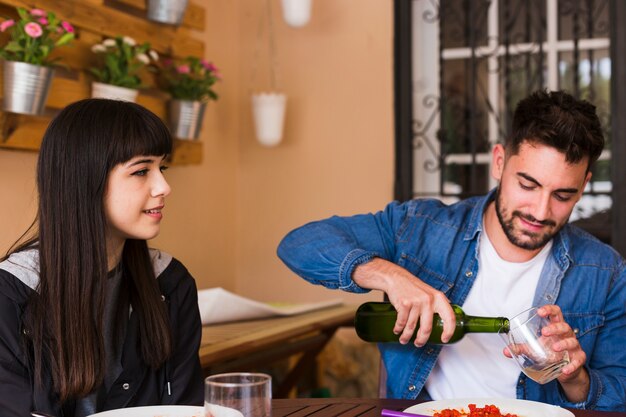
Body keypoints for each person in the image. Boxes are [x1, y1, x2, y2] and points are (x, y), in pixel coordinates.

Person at [277, 90, 626, 411]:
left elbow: (619, 394)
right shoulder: (419, 226)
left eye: (562, 196)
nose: (540, 210)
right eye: (527, 184)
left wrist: (575, 378)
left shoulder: (606, 273)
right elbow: (299, 244)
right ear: (500, 162)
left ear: (583, 187)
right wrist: (390, 277)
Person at [0, 99, 204, 416]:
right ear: (84, 180)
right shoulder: (9, 297)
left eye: (161, 168)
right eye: (141, 171)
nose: (164, 186)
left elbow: (186, 407)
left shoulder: (172, 284)